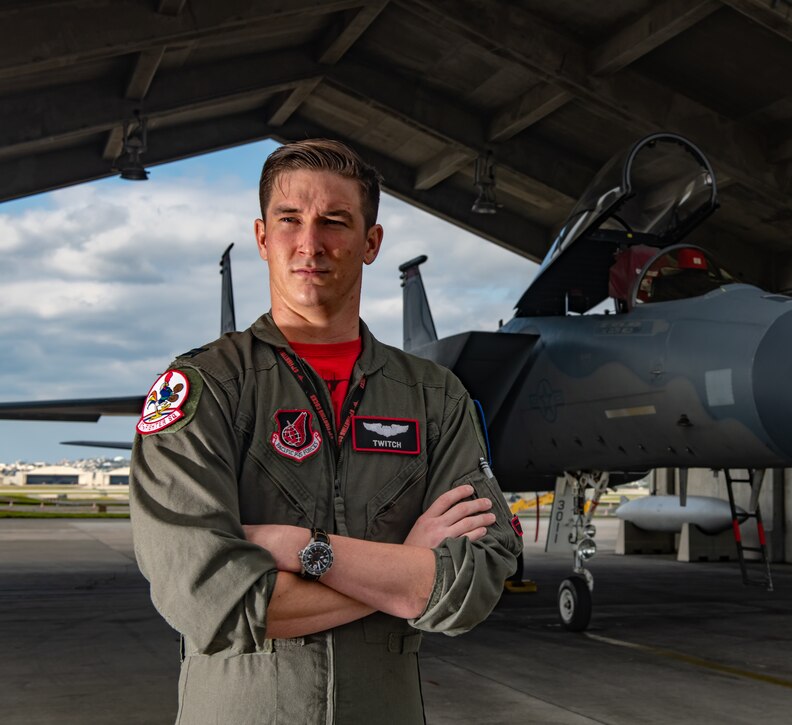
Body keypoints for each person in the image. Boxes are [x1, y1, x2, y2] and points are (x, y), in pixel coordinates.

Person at [130, 139, 523, 724]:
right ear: (263, 238)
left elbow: (470, 585)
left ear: (371, 243)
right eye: (290, 220)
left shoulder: (434, 397)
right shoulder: (204, 388)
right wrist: (404, 573)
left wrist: (299, 551)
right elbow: (208, 599)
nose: (310, 243)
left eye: (335, 221)